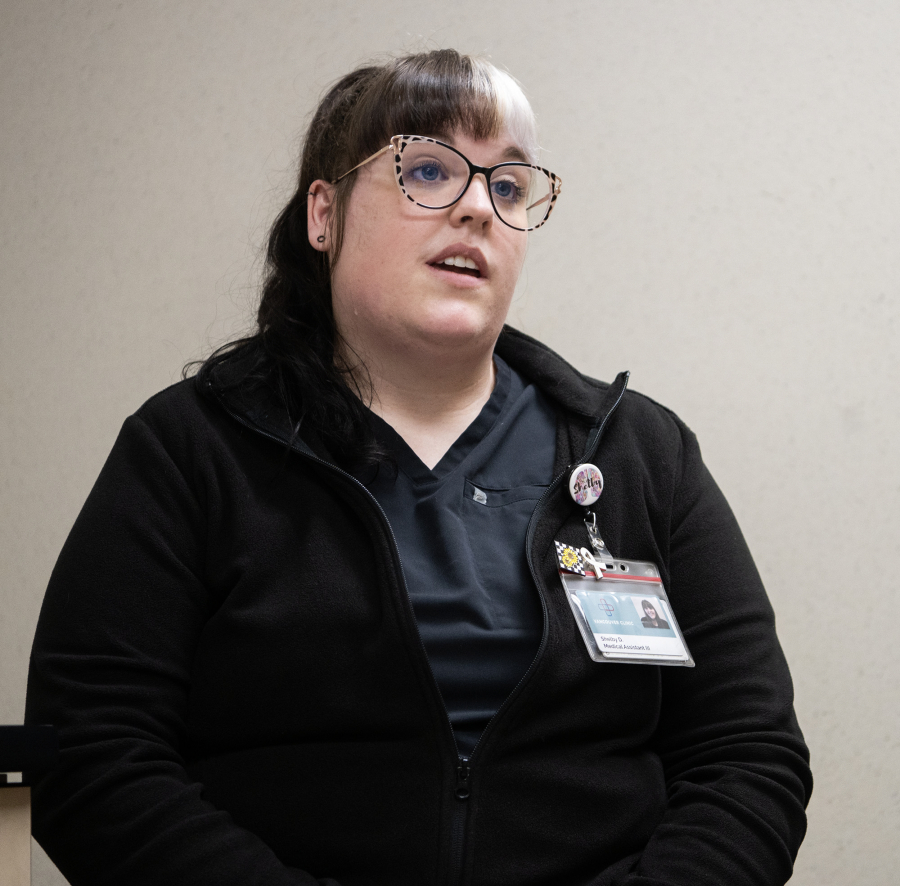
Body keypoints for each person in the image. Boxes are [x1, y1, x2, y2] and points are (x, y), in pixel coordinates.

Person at [25, 49, 811, 886]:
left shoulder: (638, 453)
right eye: (429, 169)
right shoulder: (193, 448)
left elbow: (748, 755)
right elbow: (93, 754)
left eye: (508, 188)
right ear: (322, 215)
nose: (478, 207)